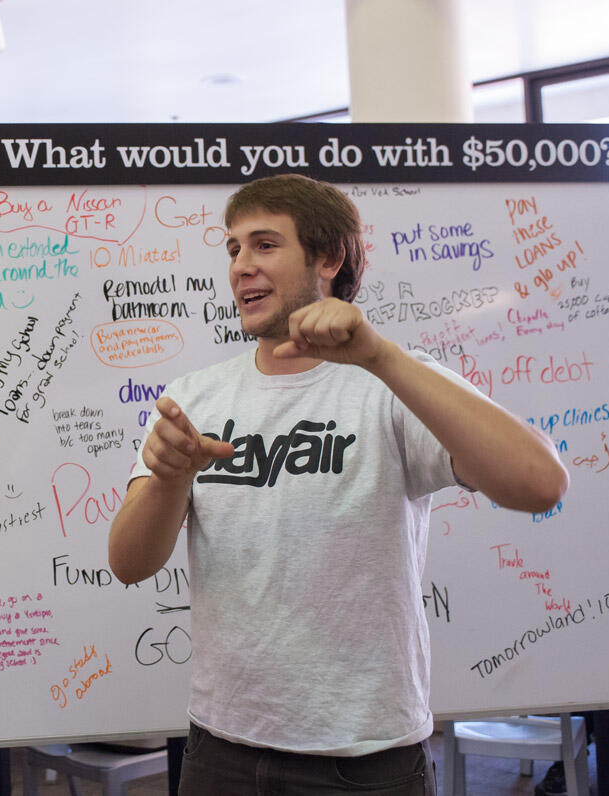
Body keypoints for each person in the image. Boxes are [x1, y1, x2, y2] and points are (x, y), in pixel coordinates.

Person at [108, 174, 568, 796]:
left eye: (265, 245)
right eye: (234, 249)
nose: (241, 265)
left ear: (330, 259)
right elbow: (130, 564)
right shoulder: (193, 397)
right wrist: (167, 479)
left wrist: (381, 357)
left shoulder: (392, 384)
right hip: (221, 748)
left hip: (363, 757)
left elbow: (540, 483)